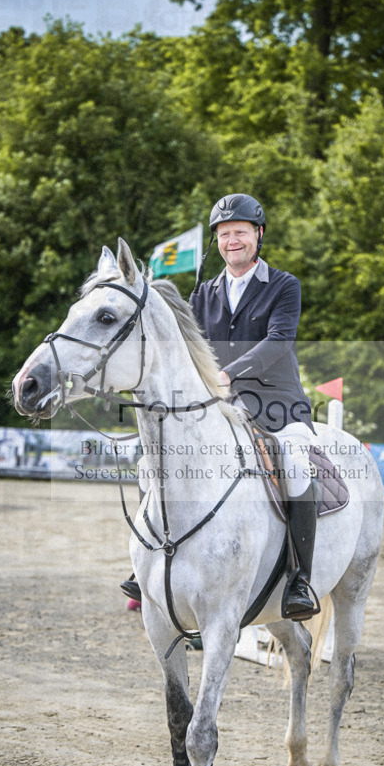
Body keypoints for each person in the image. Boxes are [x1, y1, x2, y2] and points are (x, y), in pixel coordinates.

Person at [122, 192, 318, 622]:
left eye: (241, 233)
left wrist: (230, 373)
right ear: (217, 242)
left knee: (297, 463)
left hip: (276, 406)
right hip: (215, 407)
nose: (233, 241)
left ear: (258, 235)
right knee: (147, 464)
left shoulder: (284, 286)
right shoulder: (203, 293)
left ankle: (300, 579)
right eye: (225, 234)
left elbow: (279, 341)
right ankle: (149, 562)